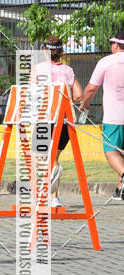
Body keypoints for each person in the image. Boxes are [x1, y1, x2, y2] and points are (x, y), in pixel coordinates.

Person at [32, 35, 83, 208]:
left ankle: (50, 192)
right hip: (65, 120)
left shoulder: (38, 69)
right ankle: (54, 198)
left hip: (45, 118)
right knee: (53, 157)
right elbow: (78, 95)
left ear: (45, 50)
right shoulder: (68, 70)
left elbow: (32, 92)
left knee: (40, 157)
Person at [79, 32, 124, 200]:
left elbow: (91, 88)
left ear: (116, 45)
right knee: (122, 153)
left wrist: (84, 103)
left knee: (111, 151)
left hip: (114, 117)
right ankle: (120, 189)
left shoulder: (106, 62)